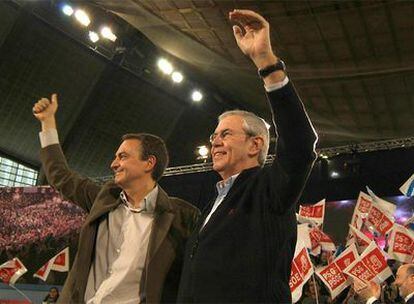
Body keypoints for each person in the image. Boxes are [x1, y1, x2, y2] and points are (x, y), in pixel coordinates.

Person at [177, 9, 318, 303]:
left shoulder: (268, 191)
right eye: (214, 135)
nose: (215, 141)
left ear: (255, 145)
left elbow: (301, 145)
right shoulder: (213, 203)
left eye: (225, 134)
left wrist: (266, 64)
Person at [32, 95, 200, 303]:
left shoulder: (182, 215)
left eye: (123, 157)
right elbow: (60, 175)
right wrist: (47, 122)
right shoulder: (103, 198)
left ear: (149, 163)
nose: (113, 163)